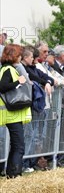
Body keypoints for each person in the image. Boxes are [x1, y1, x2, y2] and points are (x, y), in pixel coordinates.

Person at [0, 44, 32, 178]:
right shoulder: (8, 69)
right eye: (19, 55)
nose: (20, 57)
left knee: (16, 145)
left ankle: (12, 173)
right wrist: (18, 81)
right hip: (10, 114)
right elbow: (2, 87)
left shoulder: (9, 69)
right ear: (14, 56)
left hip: (12, 114)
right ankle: (15, 174)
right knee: (19, 146)